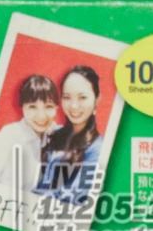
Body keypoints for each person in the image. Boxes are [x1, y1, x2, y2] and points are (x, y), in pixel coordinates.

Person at [34, 66, 104, 205]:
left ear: (96, 100)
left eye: (82, 97)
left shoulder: (97, 149)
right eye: (67, 97)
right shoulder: (53, 134)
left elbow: (75, 197)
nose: (73, 106)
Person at [0, 74, 59, 189]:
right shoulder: (6, 138)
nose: (41, 116)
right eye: (32, 107)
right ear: (22, 107)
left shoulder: (61, 137)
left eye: (49, 106)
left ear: (57, 108)